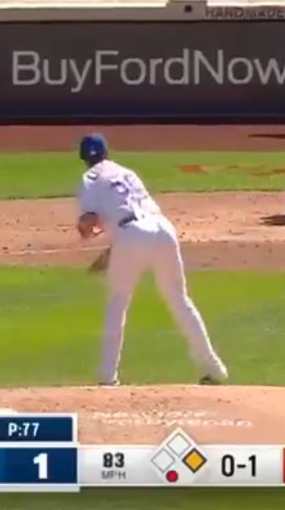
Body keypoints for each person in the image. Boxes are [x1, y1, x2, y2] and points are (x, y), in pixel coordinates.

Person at [74, 133, 229, 386]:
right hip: (163, 229)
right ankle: (214, 368)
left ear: (83, 157)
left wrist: (83, 229)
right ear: (106, 151)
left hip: (130, 234)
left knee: (117, 304)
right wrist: (113, 251)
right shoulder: (127, 172)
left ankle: (108, 376)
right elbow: (134, 215)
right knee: (180, 300)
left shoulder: (89, 178)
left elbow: (92, 220)